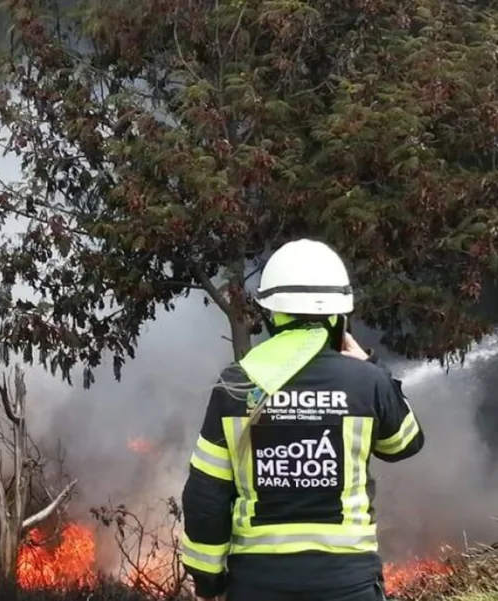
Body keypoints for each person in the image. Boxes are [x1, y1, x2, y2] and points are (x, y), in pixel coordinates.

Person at [178, 239, 425, 601]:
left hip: (258, 586)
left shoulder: (237, 384)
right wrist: (372, 366)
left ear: (271, 315)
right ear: (340, 317)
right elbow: (404, 443)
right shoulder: (366, 382)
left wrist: (208, 580)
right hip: (348, 587)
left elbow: (206, 494)